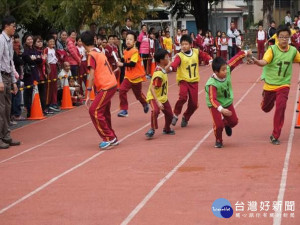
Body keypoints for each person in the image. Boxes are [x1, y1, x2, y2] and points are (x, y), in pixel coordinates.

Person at [252, 25, 300, 145]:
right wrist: (257, 61)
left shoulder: (293, 51)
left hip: (284, 85)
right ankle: (265, 99)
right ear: (277, 38)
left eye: (286, 37)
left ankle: (275, 135)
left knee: (281, 107)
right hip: (270, 84)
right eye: (281, 37)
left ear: (289, 38)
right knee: (266, 108)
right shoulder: (272, 50)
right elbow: (264, 62)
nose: (284, 39)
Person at [205, 50, 252, 148]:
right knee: (218, 125)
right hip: (215, 105)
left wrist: (246, 52)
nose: (226, 71)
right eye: (223, 70)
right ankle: (218, 140)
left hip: (227, 102)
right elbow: (212, 99)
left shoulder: (228, 69)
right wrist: (221, 109)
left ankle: (226, 124)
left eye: (226, 69)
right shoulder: (211, 84)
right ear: (216, 72)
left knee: (234, 122)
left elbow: (236, 58)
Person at [81, 31, 118, 149]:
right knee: (104, 111)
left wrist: (88, 93)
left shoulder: (91, 55)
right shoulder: (99, 51)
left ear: (82, 43)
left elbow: (91, 75)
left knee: (94, 110)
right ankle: (112, 136)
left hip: (106, 86)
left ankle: (109, 137)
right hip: (110, 84)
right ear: (94, 40)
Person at [167, 34, 212, 127]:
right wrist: (171, 68)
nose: (184, 46)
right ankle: (175, 114)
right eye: (182, 44)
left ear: (191, 44)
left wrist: (209, 60)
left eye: (186, 44)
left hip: (194, 81)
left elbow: (204, 55)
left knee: (194, 104)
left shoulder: (196, 52)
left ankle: (186, 117)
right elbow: (175, 63)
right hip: (184, 80)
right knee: (183, 97)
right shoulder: (179, 55)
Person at [116, 31, 149, 117]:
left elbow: (132, 64)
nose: (128, 41)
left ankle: (145, 103)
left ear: (134, 41)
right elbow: (124, 59)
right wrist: (120, 62)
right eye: (127, 39)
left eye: (131, 39)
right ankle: (124, 110)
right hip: (128, 77)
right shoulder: (125, 50)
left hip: (136, 77)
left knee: (138, 95)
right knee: (122, 90)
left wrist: (122, 64)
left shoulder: (135, 51)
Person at [0, 15, 20, 149]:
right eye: (13, 26)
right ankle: (1, 137)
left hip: (8, 76)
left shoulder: (9, 41)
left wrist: (13, 81)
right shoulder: (1, 40)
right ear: (6, 26)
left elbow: (10, 61)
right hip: (1, 76)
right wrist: (0, 81)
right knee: (1, 109)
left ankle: (6, 135)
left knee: (7, 108)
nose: (15, 29)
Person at [145, 49, 175, 138]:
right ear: (162, 60)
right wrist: (157, 102)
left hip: (163, 97)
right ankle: (152, 129)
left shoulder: (161, 69)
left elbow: (165, 70)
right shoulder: (158, 74)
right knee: (155, 110)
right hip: (154, 97)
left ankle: (166, 128)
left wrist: (170, 63)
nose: (168, 58)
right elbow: (152, 88)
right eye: (167, 57)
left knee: (169, 114)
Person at [22, 34, 43, 118]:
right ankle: (29, 110)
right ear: (25, 41)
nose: (30, 41)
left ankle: (35, 109)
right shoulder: (25, 51)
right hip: (28, 73)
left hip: (35, 72)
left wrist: (35, 58)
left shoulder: (34, 50)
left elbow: (40, 60)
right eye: (28, 39)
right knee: (28, 91)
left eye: (31, 39)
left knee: (35, 91)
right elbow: (28, 60)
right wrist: (35, 58)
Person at [44, 35, 60, 112]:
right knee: (49, 86)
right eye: (50, 41)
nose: (52, 43)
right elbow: (45, 60)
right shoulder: (46, 50)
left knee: (54, 85)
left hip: (54, 67)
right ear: (47, 42)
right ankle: (48, 103)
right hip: (49, 67)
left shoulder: (54, 50)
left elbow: (56, 58)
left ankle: (54, 102)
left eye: (53, 42)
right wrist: (46, 70)